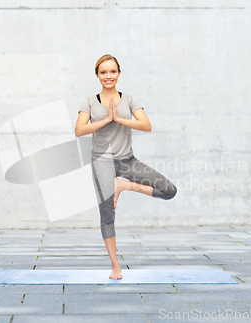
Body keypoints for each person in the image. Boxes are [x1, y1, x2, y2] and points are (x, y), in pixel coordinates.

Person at [75, 54, 177, 279]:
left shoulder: (129, 99)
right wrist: (105, 120)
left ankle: (123, 185)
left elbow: (146, 125)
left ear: (119, 74)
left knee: (169, 190)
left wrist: (120, 119)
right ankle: (115, 266)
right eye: (103, 72)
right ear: (97, 75)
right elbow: (79, 130)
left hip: (127, 161)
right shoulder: (90, 102)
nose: (108, 76)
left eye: (112, 72)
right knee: (107, 215)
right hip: (102, 161)